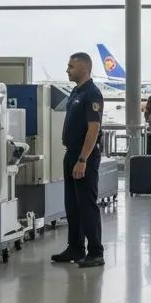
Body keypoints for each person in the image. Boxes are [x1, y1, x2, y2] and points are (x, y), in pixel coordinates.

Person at [51, 52, 105, 268]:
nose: (67, 70)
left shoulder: (92, 94)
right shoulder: (76, 92)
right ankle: (75, 247)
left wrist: (83, 159)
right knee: (72, 204)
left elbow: (94, 129)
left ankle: (95, 251)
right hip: (71, 153)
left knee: (86, 204)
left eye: (71, 66)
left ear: (84, 68)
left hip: (85, 156)